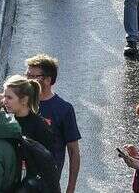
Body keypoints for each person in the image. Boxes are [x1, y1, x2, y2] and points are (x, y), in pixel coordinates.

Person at [23, 54, 82, 193]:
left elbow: (73, 151)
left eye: (32, 77)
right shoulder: (22, 102)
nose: (27, 81)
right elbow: (3, 98)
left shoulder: (64, 109)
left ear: (48, 80)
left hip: (47, 183)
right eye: (26, 76)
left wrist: (71, 188)